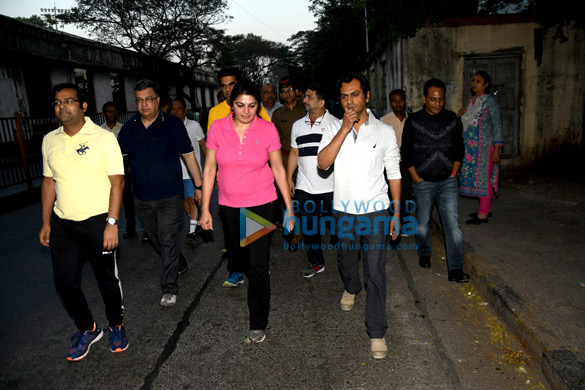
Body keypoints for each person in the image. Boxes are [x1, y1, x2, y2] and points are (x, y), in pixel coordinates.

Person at [200, 80, 294, 344]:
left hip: (260, 204)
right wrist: (204, 208)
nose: (246, 111)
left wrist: (289, 208)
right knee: (238, 257)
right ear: (232, 104)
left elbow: (278, 169)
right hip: (228, 205)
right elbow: (209, 169)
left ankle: (258, 321)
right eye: (240, 105)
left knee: (257, 264)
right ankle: (247, 265)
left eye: (252, 105)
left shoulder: (267, 129)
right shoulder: (217, 128)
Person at [40, 83, 128, 361]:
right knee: (64, 281)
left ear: (83, 106)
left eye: (69, 101)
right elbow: (48, 181)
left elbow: (118, 181)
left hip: (98, 221)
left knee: (106, 280)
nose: (62, 107)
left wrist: (112, 222)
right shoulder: (50, 140)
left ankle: (116, 325)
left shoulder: (103, 138)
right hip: (63, 224)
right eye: (57, 102)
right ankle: (88, 328)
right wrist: (45, 222)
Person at [317, 73, 401, 359]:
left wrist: (396, 211)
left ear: (367, 95)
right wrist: (343, 129)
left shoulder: (384, 131)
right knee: (346, 259)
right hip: (343, 211)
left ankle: (376, 330)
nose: (349, 101)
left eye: (354, 94)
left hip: (376, 211)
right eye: (344, 96)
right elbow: (323, 164)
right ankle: (351, 287)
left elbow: (394, 173)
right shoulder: (332, 128)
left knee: (376, 271)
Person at [117, 79, 203, 308]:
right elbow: (117, 160)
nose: (144, 104)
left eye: (148, 99)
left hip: (169, 197)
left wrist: (199, 185)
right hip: (142, 198)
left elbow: (188, 155)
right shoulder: (130, 127)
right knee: (157, 239)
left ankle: (169, 288)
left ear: (156, 100)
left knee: (167, 238)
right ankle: (179, 261)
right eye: (139, 100)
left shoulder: (173, 124)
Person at [401, 78, 468, 283]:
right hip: (423, 182)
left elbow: (459, 147)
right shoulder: (413, 121)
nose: (437, 103)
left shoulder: (452, 119)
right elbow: (406, 151)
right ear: (424, 99)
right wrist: (416, 178)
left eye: (440, 99)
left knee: (452, 226)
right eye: (432, 99)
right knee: (422, 224)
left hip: (448, 181)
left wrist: (454, 172)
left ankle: (455, 269)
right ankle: (424, 252)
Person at [287, 83, 337, 278]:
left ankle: (347, 258)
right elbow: (294, 152)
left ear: (322, 102)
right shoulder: (297, 125)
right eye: (305, 97)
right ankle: (316, 262)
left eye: (309, 97)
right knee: (309, 228)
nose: (304, 100)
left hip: (331, 187)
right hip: (304, 187)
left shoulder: (336, 124)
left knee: (340, 226)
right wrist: (290, 177)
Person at [458, 71, 504, 224]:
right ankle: (486, 209)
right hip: (471, 150)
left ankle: (483, 215)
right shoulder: (471, 101)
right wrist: (462, 115)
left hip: (485, 150)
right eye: (473, 80)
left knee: (483, 181)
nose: (474, 83)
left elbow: (497, 126)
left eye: (478, 81)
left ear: (486, 85)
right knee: (477, 179)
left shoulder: (490, 101)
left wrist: (497, 150)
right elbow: (468, 123)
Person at [171, 97, 207, 245]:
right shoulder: (168, 126)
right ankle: (195, 222)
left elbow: (204, 147)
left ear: (185, 110)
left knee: (193, 200)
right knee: (184, 202)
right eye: (173, 109)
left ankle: (191, 232)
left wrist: (210, 169)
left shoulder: (194, 126)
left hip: (192, 174)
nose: (176, 112)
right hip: (175, 174)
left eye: (179, 108)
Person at [100, 101, 137, 239]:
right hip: (105, 171)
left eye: (114, 111)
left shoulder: (124, 128)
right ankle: (104, 229)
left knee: (128, 200)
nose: (112, 114)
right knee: (106, 201)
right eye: (109, 111)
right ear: (104, 114)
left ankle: (131, 228)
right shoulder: (99, 131)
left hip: (122, 168)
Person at [380, 89, 412, 238]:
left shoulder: (411, 119)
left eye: (401, 100)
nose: (398, 104)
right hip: (390, 164)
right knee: (390, 194)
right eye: (394, 101)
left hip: (407, 163)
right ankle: (391, 221)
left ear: (405, 101)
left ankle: (403, 224)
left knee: (406, 194)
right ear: (390, 102)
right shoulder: (384, 121)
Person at [272, 76, 306, 168]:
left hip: (306, 156)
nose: (287, 93)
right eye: (283, 91)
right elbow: (272, 138)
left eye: (290, 89)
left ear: (296, 91)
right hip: (286, 157)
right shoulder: (277, 114)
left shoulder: (306, 109)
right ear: (281, 95)